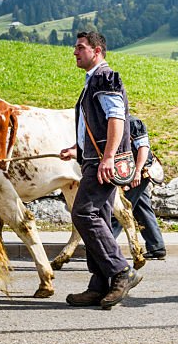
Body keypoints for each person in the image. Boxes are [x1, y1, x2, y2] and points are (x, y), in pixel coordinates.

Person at [60, 31, 142, 309]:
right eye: (76, 48)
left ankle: (121, 271)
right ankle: (99, 285)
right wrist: (78, 148)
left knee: (83, 212)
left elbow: (117, 118)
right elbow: (96, 124)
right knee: (102, 219)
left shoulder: (104, 78)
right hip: (94, 159)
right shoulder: (92, 81)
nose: (75, 52)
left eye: (80, 47)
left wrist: (107, 158)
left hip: (103, 163)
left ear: (97, 51)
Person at [111, 116, 167, 259]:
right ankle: (156, 246)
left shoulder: (133, 123)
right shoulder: (117, 122)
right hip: (132, 171)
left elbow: (143, 148)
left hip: (138, 171)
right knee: (141, 208)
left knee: (120, 209)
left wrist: (137, 172)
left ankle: (105, 245)